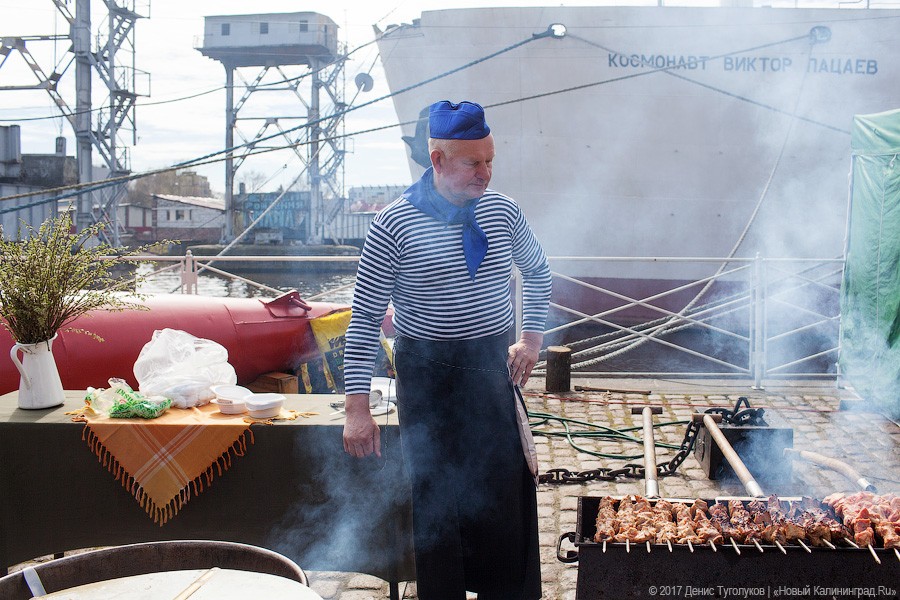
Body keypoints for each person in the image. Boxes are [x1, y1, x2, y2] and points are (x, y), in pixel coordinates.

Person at [342, 100, 551, 599]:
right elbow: (366, 317)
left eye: (489, 160)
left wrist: (532, 338)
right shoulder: (393, 224)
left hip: (488, 369)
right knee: (438, 500)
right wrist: (357, 410)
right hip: (426, 375)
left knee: (504, 496)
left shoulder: (503, 211)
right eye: (472, 163)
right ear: (437, 161)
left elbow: (539, 273)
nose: (486, 172)